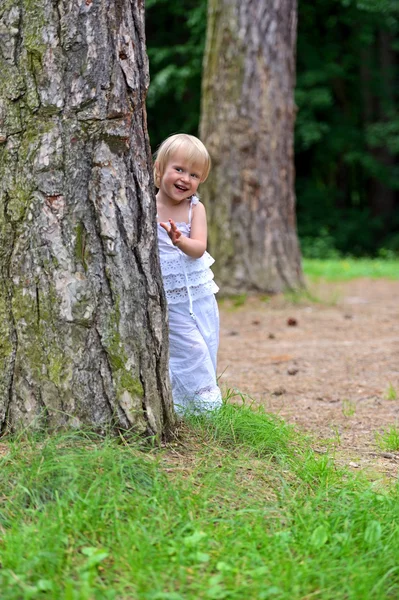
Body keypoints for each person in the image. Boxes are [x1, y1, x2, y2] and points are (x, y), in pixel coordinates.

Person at [154, 133, 222, 414]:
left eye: (194, 175)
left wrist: (179, 240)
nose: (185, 179)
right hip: (170, 297)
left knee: (206, 345)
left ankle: (187, 408)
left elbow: (199, 247)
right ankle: (205, 409)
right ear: (160, 168)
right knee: (188, 350)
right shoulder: (146, 203)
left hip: (200, 294)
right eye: (179, 169)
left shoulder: (196, 209)